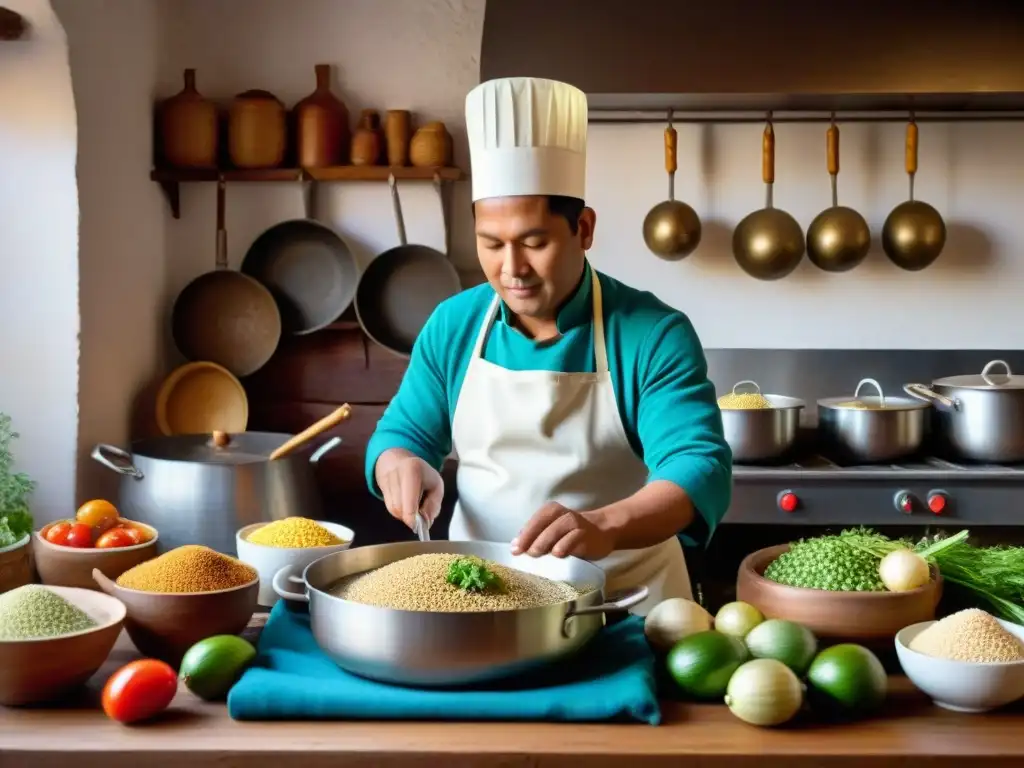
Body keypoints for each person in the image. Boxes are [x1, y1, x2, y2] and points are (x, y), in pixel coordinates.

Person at [364, 77, 731, 614]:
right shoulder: (454, 325)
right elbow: (403, 433)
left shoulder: (650, 333)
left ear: (583, 228)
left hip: (627, 605)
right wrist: (399, 462)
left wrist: (605, 525)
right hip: (481, 605)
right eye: (491, 244)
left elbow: (697, 464)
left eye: (534, 242)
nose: (511, 269)